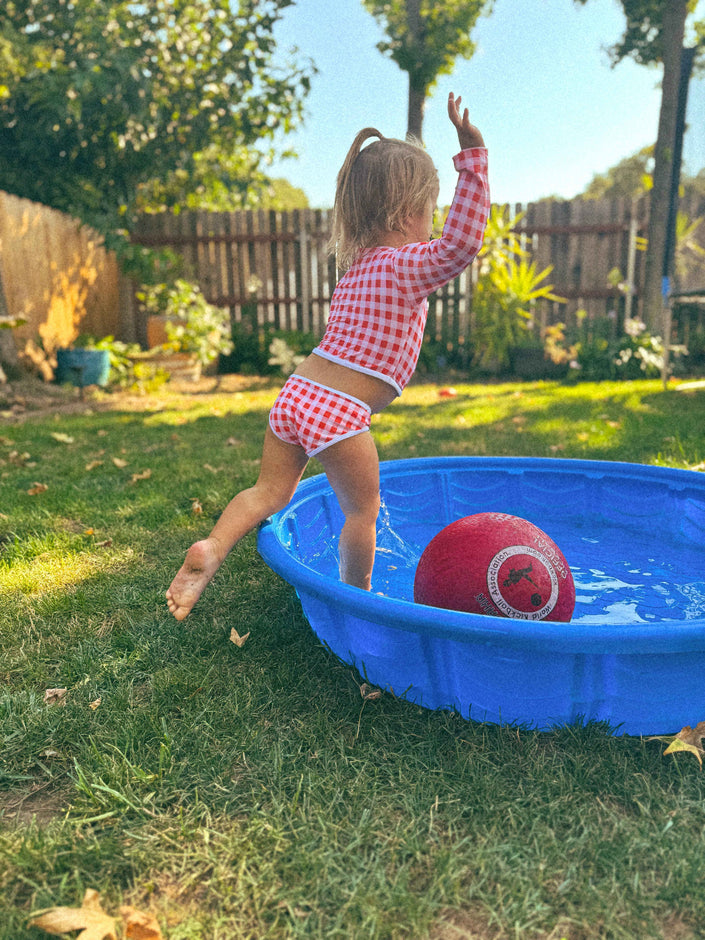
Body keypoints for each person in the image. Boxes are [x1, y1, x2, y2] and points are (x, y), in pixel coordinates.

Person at [166, 92, 489, 621]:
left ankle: (213, 547)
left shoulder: (357, 271)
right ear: (407, 212)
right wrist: (473, 159)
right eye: (432, 210)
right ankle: (357, 599)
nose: (434, 222)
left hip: (295, 396)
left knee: (267, 491)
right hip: (338, 412)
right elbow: (462, 245)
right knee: (362, 511)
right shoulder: (404, 266)